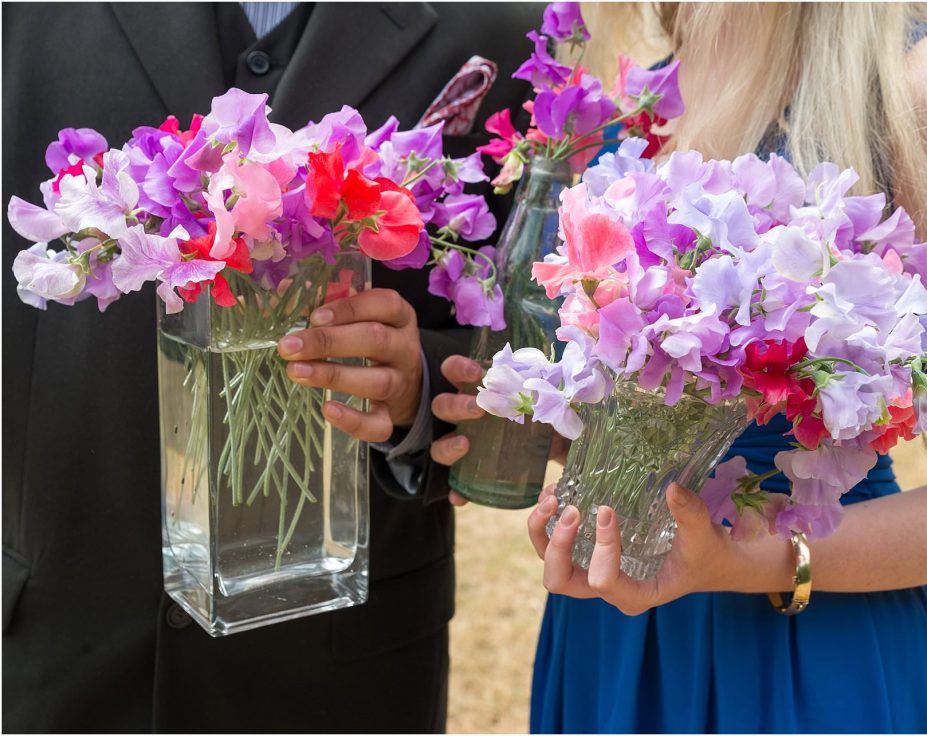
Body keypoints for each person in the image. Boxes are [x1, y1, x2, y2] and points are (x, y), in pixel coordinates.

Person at [431, 2, 927, 732]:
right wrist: (550, 420)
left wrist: (754, 560)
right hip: (612, 638)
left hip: (806, 654)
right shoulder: (638, 95)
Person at [2, 3, 540, 732]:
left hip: (339, 668)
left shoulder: (499, 29)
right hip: (56, 641)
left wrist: (420, 383)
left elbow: (538, 343)